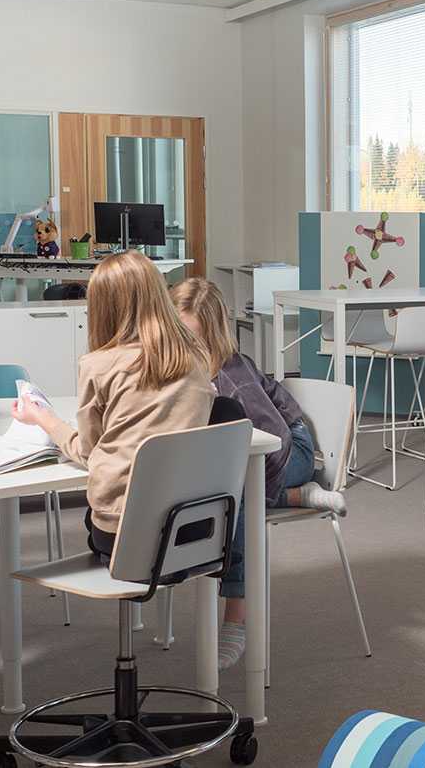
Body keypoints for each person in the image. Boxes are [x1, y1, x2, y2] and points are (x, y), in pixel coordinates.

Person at [171, 276, 343, 669]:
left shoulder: (230, 378)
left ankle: (237, 617)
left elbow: (271, 444)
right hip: (251, 460)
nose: (183, 342)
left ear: (212, 334)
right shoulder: (185, 367)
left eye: (192, 335)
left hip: (289, 451)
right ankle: (298, 496)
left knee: (237, 499)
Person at [10, 250, 215, 572]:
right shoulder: (198, 357)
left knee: (95, 518)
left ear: (102, 307)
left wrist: (42, 418)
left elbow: (88, 453)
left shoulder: (98, 366)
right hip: (195, 525)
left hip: (125, 534)